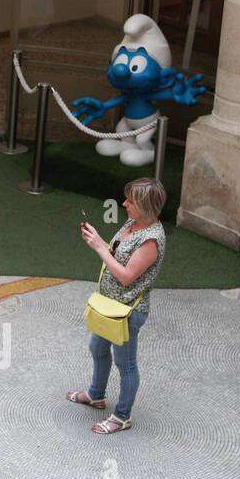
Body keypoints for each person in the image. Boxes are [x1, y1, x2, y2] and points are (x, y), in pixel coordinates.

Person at [68, 177, 168, 434]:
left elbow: (126, 276)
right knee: (97, 347)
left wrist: (100, 247)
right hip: (109, 305)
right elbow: (116, 254)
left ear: (145, 206)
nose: (124, 204)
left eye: (130, 201)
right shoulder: (132, 223)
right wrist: (100, 241)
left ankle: (122, 416)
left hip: (127, 312)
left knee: (126, 365)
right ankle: (96, 395)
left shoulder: (151, 239)